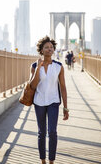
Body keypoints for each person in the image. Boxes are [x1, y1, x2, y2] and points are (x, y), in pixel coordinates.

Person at [30, 36, 69, 164]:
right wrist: (38, 69)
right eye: (46, 47)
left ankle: (51, 161)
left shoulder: (59, 66)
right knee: (41, 132)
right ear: (41, 50)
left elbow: (63, 87)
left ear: (54, 50)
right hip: (39, 101)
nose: (49, 49)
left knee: (52, 132)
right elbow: (32, 85)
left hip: (53, 101)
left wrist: (65, 107)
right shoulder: (35, 65)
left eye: (51, 47)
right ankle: (43, 160)